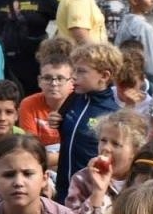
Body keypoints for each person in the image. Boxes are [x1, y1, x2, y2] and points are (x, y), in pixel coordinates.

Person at [52, 43, 124, 203]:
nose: (74, 76)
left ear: (104, 76)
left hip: (90, 191)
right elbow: (65, 129)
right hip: (63, 186)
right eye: (74, 70)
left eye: (82, 71)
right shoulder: (74, 99)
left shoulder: (113, 113)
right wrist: (56, 121)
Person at [18, 39, 72, 163]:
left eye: (60, 78)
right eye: (47, 78)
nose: (54, 84)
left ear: (71, 81)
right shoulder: (28, 104)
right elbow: (31, 151)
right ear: (39, 81)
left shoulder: (80, 103)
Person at [113, 0, 153, 86]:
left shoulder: (124, 21)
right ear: (134, 0)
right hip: (143, 82)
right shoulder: (145, 28)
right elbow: (152, 65)